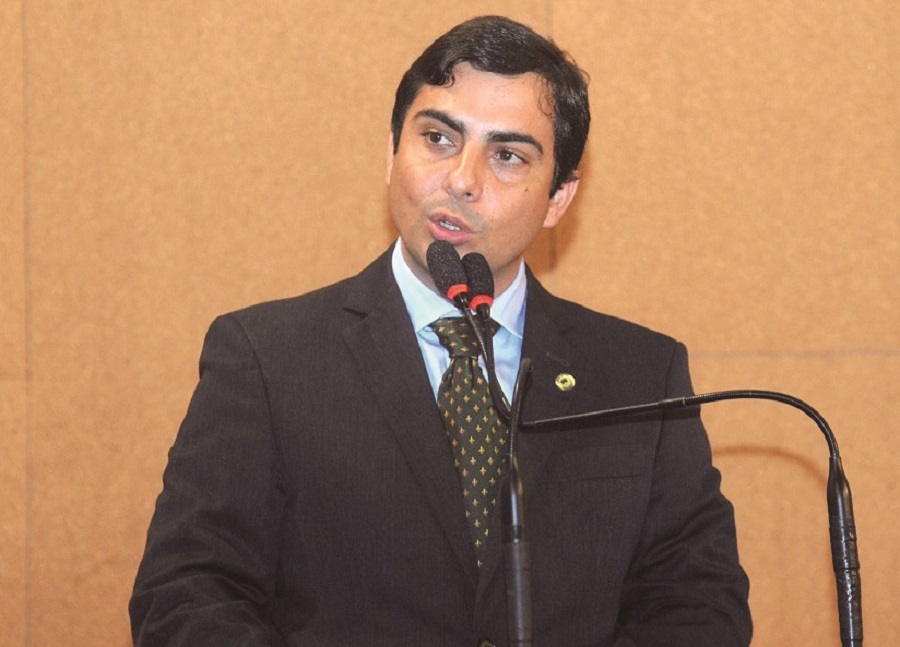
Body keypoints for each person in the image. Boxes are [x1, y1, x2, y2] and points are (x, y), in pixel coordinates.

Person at [130, 15, 752, 647]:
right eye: (438, 138)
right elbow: (187, 595)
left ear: (558, 198)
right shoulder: (270, 360)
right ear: (392, 153)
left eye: (507, 156)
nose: (461, 180)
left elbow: (699, 606)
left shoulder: (641, 376)